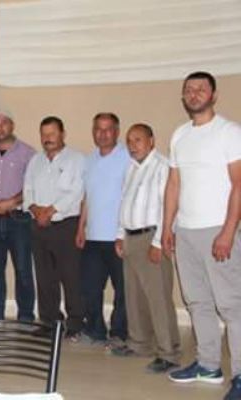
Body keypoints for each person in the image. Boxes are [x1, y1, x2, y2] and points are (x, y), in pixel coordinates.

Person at [163, 71, 241, 400]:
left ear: (214, 95)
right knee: (197, 302)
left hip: (218, 230)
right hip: (186, 231)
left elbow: (239, 184)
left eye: (201, 89)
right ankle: (208, 365)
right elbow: (174, 184)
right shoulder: (180, 135)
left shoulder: (230, 132)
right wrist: (167, 228)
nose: (194, 94)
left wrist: (228, 231)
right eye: (189, 89)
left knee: (232, 305)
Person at [110, 124, 180, 373]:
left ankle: (168, 352)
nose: (133, 145)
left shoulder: (162, 166)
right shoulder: (131, 167)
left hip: (152, 237)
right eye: (129, 141)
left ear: (151, 141)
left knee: (158, 297)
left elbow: (168, 207)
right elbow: (125, 203)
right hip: (131, 238)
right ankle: (140, 344)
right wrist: (120, 235)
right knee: (134, 295)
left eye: (138, 140)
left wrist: (159, 242)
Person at [23, 116, 85, 336]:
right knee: (44, 277)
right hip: (38, 226)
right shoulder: (35, 161)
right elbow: (27, 189)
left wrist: (50, 211)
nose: (47, 138)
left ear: (62, 134)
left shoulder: (77, 159)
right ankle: (49, 321)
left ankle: (75, 323)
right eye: (44, 134)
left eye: (52, 133)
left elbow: (77, 192)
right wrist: (35, 209)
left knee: (70, 277)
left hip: (65, 226)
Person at [75, 112, 129, 347]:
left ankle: (119, 333)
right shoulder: (89, 160)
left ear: (117, 132)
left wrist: (124, 233)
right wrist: (81, 229)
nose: (103, 134)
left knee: (122, 290)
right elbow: (87, 198)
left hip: (118, 237)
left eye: (108, 129)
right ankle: (95, 330)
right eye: (98, 129)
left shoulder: (127, 157)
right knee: (90, 287)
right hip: (93, 237)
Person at [0, 110, 36, 322]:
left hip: (18, 219)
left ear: (12, 125)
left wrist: (11, 202)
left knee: (22, 269)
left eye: (4, 123)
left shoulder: (28, 153)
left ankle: (26, 315)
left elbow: (32, 186)